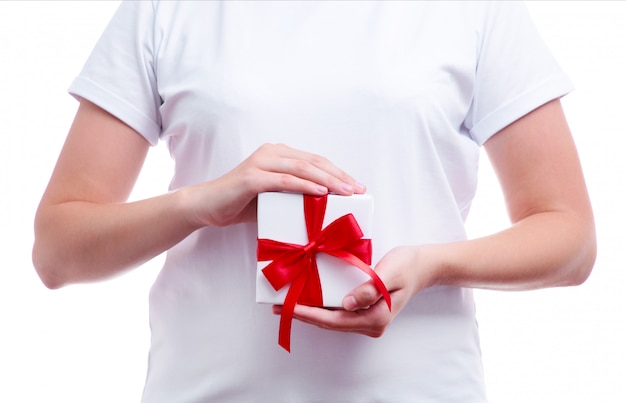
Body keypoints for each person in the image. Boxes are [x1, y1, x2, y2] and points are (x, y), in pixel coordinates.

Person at [32, 1, 596, 402]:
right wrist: (197, 204)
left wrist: (431, 265)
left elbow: (568, 237)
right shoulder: (164, 10)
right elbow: (58, 250)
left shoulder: (473, 10)